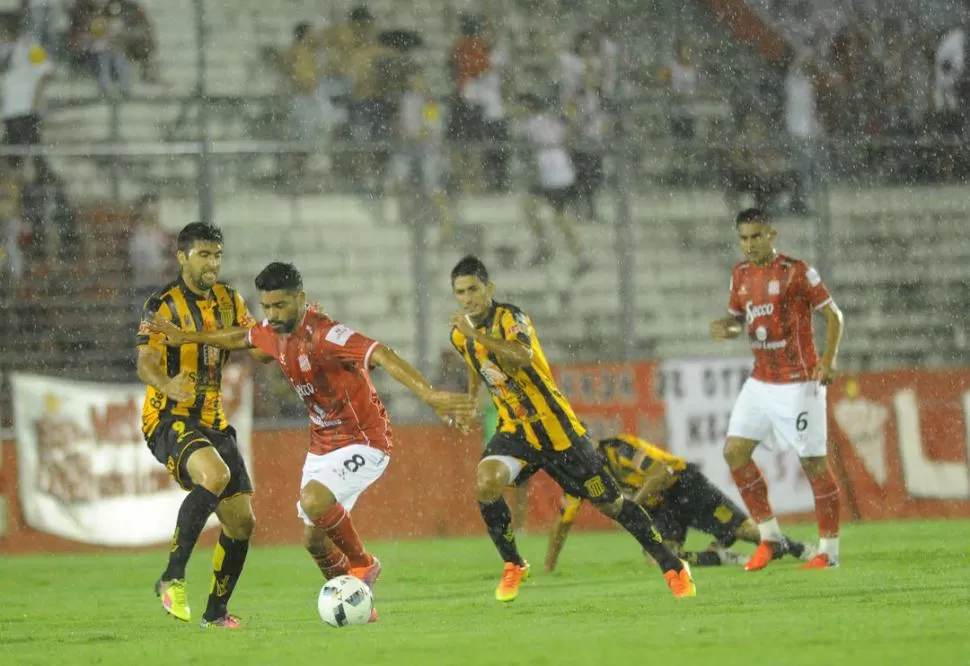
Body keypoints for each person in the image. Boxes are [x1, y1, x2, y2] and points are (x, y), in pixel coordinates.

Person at [149, 262, 475, 620]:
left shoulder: (326, 334)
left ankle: (363, 564)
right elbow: (238, 338)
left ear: (300, 299)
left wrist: (429, 396)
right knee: (313, 539)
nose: (272, 315)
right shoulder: (272, 333)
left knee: (314, 501)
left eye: (281, 306)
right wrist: (189, 337)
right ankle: (360, 608)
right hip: (322, 445)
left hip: (364, 439)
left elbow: (381, 353)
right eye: (267, 306)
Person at [448, 255, 695, 601]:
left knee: (611, 504)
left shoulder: (510, 318)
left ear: (489, 288)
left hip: (558, 430)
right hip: (516, 429)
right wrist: (471, 400)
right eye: (460, 292)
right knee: (486, 482)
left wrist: (474, 334)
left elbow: (521, 357)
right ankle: (513, 563)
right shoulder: (461, 335)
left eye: (473, 289)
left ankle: (673, 566)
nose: (467, 298)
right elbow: (476, 362)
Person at [135, 222, 261, 629]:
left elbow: (253, 341)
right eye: (204, 255)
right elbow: (146, 362)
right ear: (182, 257)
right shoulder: (162, 304)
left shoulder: (229, 298)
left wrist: (194, 337)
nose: (213, 263)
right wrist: (166, 382)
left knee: (242, 521)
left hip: (214, 421)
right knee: (215, 474)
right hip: (169, 417)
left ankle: (215, 613)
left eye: (217, 255)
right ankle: (171, 575)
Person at [709, 208, 845, 571]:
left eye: (756, 236)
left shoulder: (796, 271)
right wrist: (729, 329)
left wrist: (828, 359)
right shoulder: (739, 274)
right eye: (743, 238)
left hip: (799, 382)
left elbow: (834, 315)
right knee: (735, 452)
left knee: (814, 464)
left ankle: (829, 552)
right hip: (760, 382)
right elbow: (741, 321)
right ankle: (770, 537)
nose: (749, 244)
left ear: (772, 233)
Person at [544, 433, 815, 572]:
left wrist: (635, 503)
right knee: (658, 556)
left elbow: (661, 472)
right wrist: (549, 566)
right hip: (661, 505)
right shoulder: (582, 477)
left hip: (684, 484)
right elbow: (562, 522)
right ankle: (716, 557)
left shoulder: (620, 449)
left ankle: (800, 549)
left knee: (746, 531)